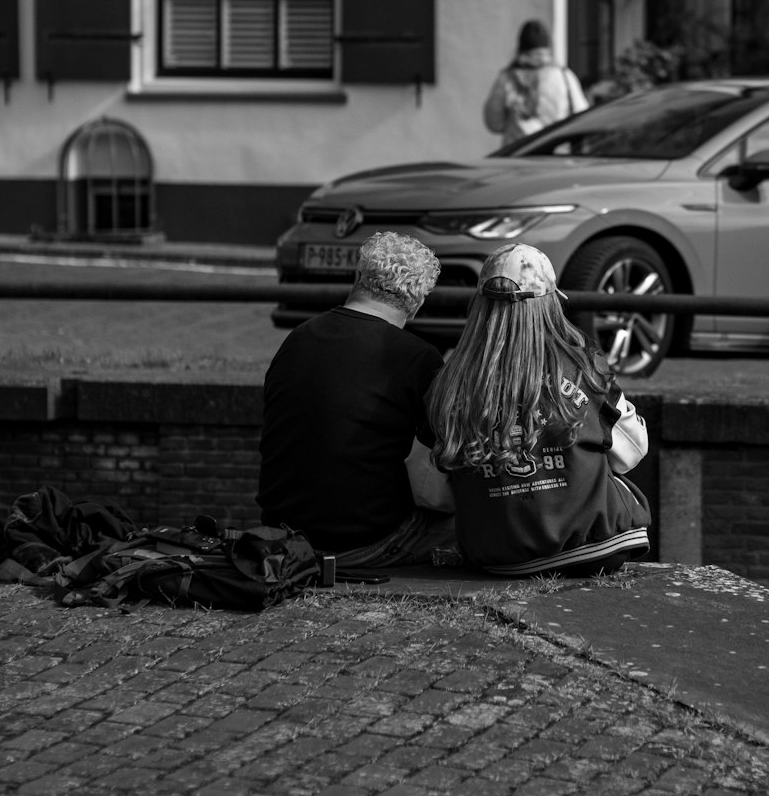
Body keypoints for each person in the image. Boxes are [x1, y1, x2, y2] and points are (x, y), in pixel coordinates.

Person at [426, 242, 651, 577]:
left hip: (498, 556)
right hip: (591, 550)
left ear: (479, 305)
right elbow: (632, 453)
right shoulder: (583, 366)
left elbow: (429, 492)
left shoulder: (448, 382)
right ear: (550, 303)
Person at [257, 231, 454, 565]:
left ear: (358, 277)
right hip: (364, 541)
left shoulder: (298, 339)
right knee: (472, 522)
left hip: (284, 533)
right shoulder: (418, 358)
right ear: (419, 300)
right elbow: (435, 471)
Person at [482, 18, 589, 147]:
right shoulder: (564, 76)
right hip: (557, 157)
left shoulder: (506, 79)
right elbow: (582, 117)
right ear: (548, 48)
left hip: (518, 156)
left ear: (521, 48)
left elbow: (494, 123)